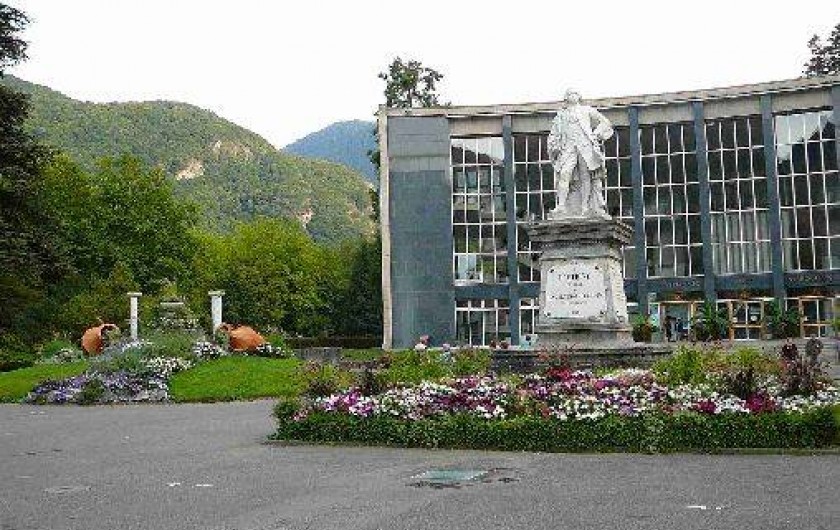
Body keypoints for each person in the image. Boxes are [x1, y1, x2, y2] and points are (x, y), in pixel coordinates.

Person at [547, 89, 614, 219]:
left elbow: (605, 122)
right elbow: (554, 134)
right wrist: (554, 145)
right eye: (570, 93)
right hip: (568, 148)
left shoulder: (586, 110)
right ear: (566, 97)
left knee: (585, 176)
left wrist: (596, 133)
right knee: (564, 174)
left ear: (579, 96)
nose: (573, 95)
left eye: (575, 93)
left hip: (585, 146)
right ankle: (561, 206)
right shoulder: (561, 115)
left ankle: (585, 207)